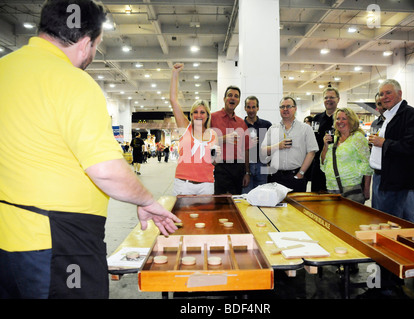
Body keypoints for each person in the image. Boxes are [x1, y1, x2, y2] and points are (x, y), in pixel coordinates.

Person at [0, 0, 180, 299]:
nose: (93, 53)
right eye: (97, 45)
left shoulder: (5, 68)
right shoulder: (72, 81)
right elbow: (106, 171)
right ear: (86, 43)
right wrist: (147, 200)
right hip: (59, 242)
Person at [369, 79, 414, 223]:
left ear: (399, 93)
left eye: (388, 93)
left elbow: (412, 147)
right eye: (381, 94)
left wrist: (385, 143)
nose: (384, 97)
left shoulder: (411, 115)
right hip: (383, 178)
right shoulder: (389, 116)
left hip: (397, 181)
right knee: (383, 220)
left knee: (394, 223)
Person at [169, 63, 220, 195]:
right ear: (191, 115)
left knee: (206, 216)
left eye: (202, 112)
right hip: (183, 184)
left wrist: (216, 156)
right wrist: (175, 74)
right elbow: (173, 100)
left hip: (207, 184)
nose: (198, 115)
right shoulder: (184, 128)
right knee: (180, 216)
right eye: (195, 112)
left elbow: (214, 163)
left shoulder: (213, 134)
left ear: (207, 115)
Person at [261, 97, 318, 192]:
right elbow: (263, 151)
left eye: (288, 106)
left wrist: (301, 173)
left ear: (295, 108)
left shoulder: (305, 128)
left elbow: (311, 152)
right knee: (276, 206)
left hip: (296, 177)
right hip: (276, 177)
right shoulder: (273, 128)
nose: (285, 109)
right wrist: (277, 146)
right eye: (282, 107)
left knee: (297, 206)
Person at [320, 108, 373, 204]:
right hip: (331, 187)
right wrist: (325, 146)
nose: (340, 122)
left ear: (351, 120)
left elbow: (367, 165)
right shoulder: (334, 139)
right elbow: (323, 163)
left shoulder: (357, 137)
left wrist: (366, 190)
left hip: (351, 188)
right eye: (337, 119)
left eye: (344, 118)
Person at [211, 85, 250, 195]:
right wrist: (223, 139)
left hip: (238, 167)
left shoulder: (241, 123)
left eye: (236, 96)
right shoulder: (212, 118)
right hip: (220, 167)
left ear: (238, 101)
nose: (233, 98)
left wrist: (247, 172)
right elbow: (204, 141)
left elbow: (246, 149)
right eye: (230, 95)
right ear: (224, 99)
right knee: (220, 202)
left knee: (236, 200)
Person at [311, 87, 340, 192]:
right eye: (326, 97)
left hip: (337, 165)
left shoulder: (342, 119)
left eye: (332, 97)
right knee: (316, 197)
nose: (329, 100)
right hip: (318, 164)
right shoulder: (316, 119)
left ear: (338, 99)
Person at [243, 96, 272, 193]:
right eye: (248, 107)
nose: (251, 110)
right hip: (245, 166)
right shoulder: (240, 125)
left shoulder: (267, 125)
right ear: (245, 108)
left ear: (258, 108)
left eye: (253, 107)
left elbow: (272, 145)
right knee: (246, 197)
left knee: (262, 196)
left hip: (262, 165)